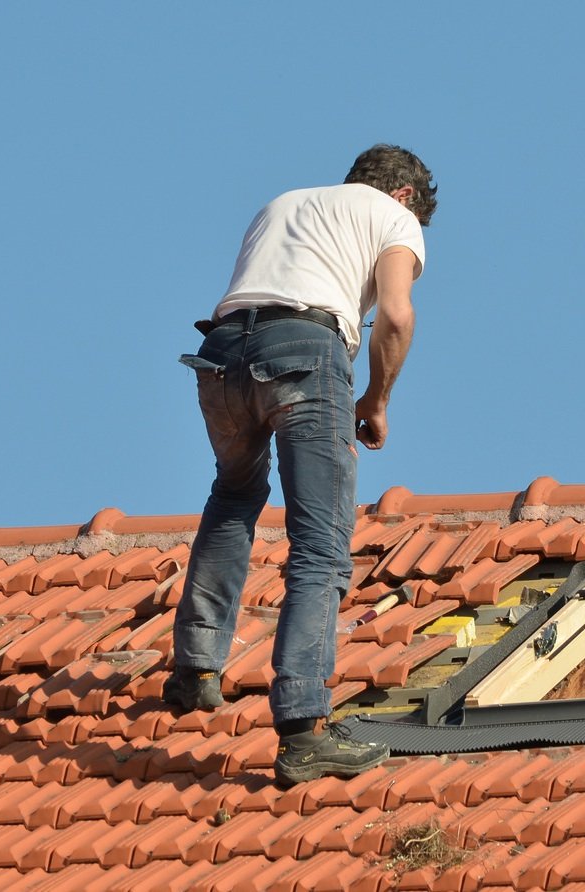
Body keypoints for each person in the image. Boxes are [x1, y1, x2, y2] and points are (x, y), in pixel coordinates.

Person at [166, 145, 436, 786]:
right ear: (403, 197)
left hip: (222, 355)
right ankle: (304, 729)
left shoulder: (282, 204)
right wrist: (375, 399)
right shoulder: (395, 219)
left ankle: (196, 668)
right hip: (306, 353)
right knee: (320, 545)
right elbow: (394, 314)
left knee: (234, 494)